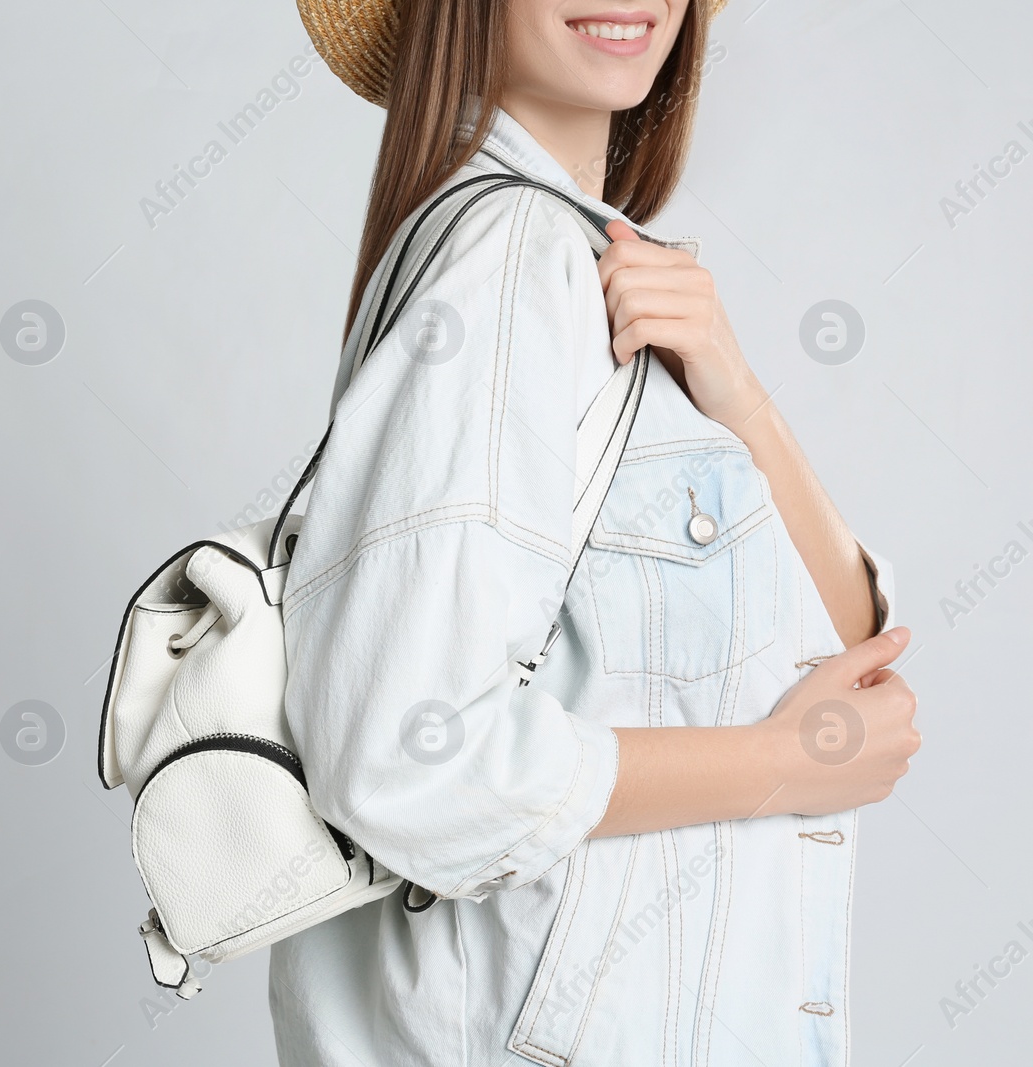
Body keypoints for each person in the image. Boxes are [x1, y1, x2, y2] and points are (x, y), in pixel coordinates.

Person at [272, 1, 920, 1064]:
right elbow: (403, 755)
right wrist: (778, 764)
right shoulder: (507, 259)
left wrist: (734, 388)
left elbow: (849, 664)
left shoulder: (583, 262)